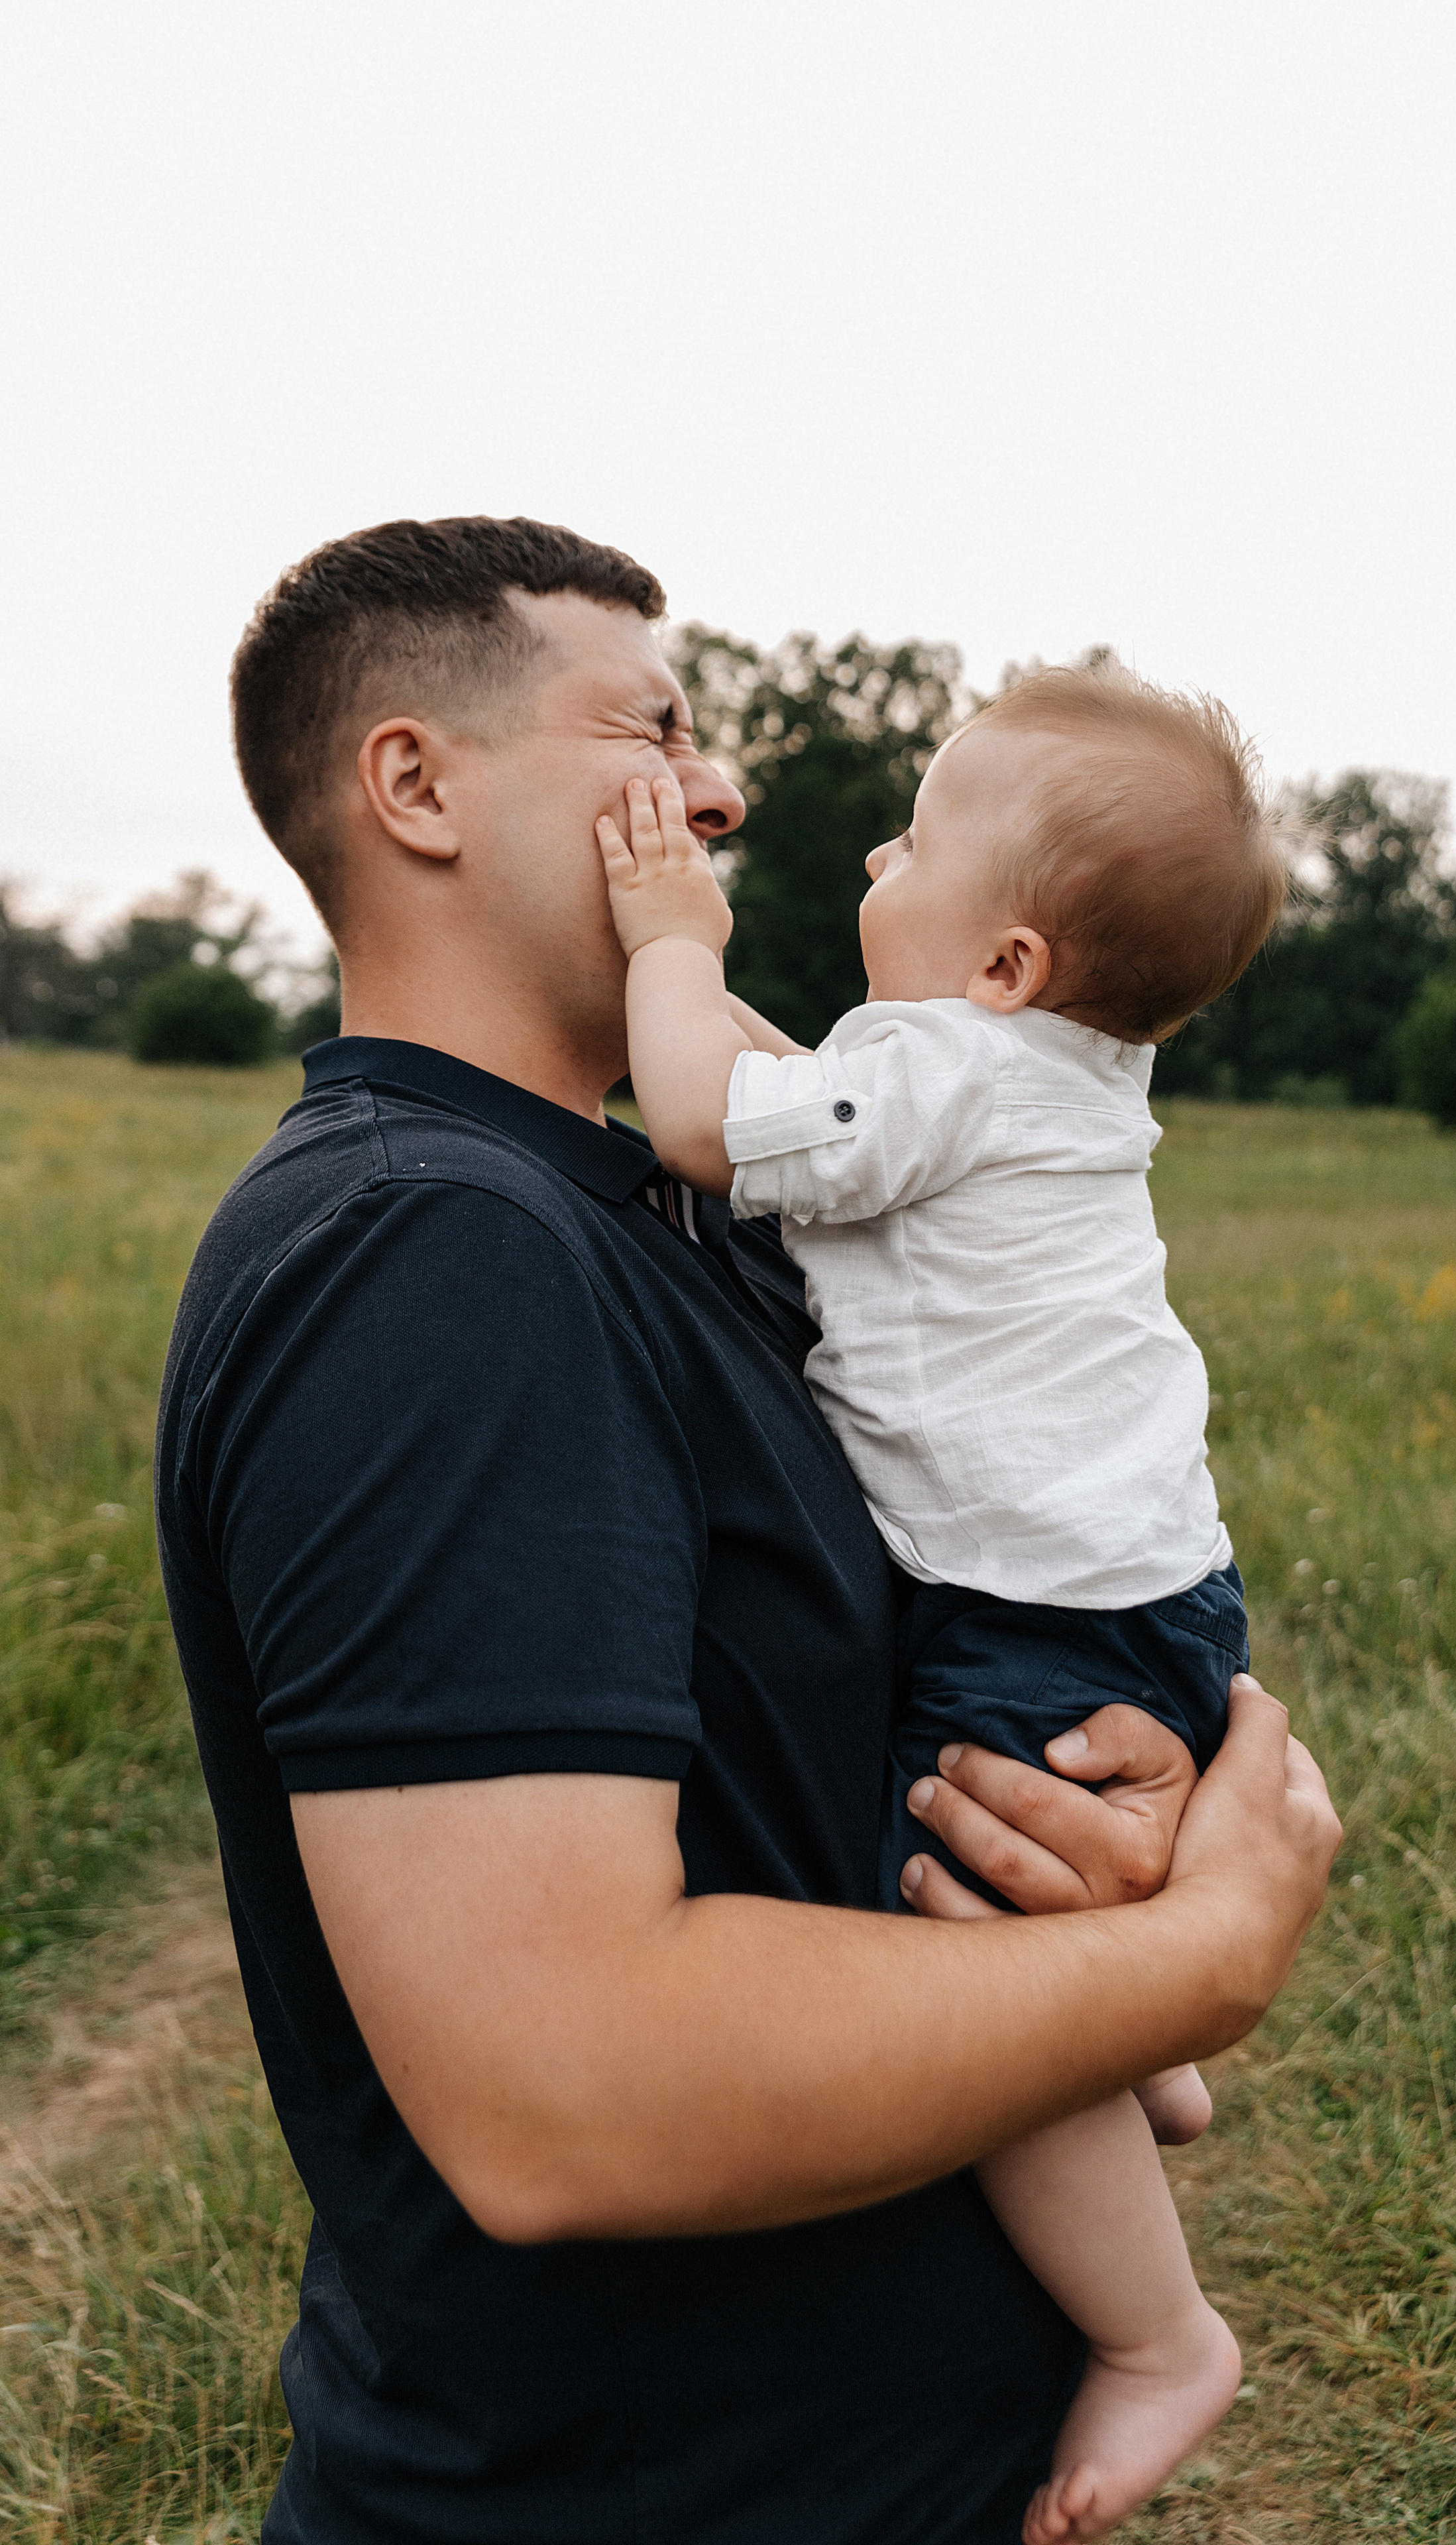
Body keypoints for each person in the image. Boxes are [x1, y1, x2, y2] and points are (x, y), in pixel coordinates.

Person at [155, 514, 1340, 2545]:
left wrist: (1106, 1854)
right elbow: (567, 2093)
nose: (718, 793)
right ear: (416, 785)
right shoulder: (431, 1254)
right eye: (655, 730)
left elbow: (848, 1717)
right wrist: (1201, 1957)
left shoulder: (646, 1218)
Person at [596, 658, 1287, 2545]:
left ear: (1005, 962)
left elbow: (710, 1125)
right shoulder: (1045, 1069)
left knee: (974, 1977)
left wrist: (666, 934)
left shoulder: (943, 1073)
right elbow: (780, 1091)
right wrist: (708, 1011)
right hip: (1144, 1593)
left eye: (911, 839)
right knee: (1040, 1901)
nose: (874, 859)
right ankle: (1148, 2054)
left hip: (1034, 1613)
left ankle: (1159, 2334)